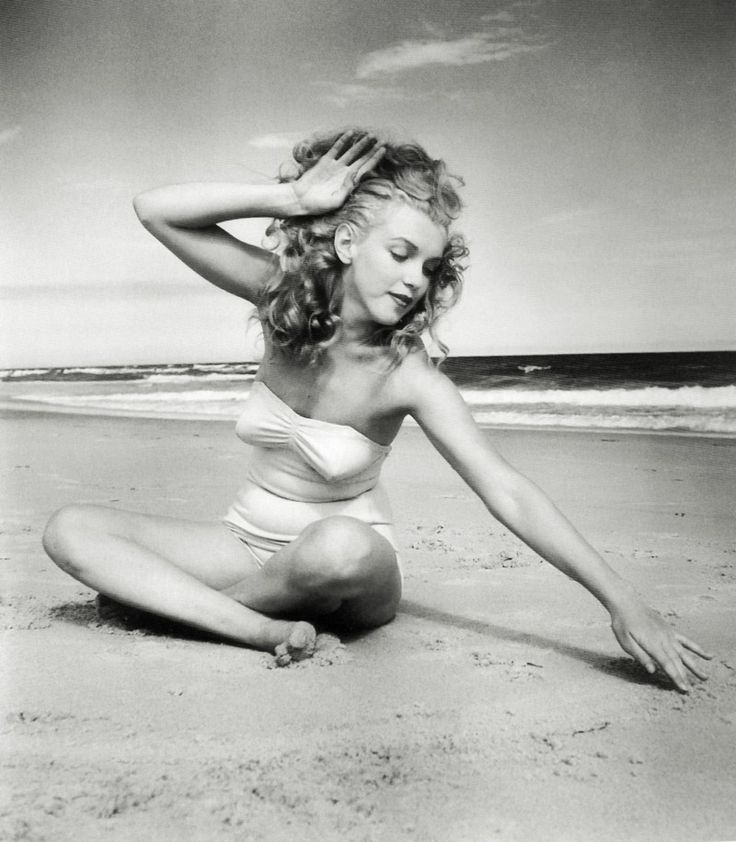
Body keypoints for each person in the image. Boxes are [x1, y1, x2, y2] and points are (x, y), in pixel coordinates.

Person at [42, 129, 711, 685]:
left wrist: (624, 602)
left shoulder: (408, 377)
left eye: (429, 266)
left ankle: (180, 609)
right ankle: (255, 627)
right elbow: (154, 208)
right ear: (344, 243)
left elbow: (507, 489)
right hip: (244, 545)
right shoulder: (277, 300)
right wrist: (291, 198)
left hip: (354, 572)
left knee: (335, 547)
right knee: (72, 529)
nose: (415, 280)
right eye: (401, 253)